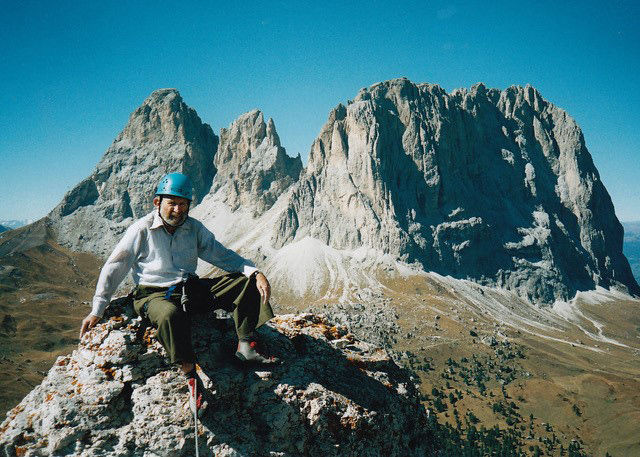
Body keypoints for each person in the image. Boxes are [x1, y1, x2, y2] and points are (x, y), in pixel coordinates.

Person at [79, 172, 277, 415]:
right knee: (169, 315)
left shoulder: (193, 228)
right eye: (172, 203)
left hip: (189, 290)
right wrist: (97, 309)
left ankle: (246, 345)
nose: (177, 209)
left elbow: (221, 255)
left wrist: (254, 272)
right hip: (153, 295)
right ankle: (191, 377)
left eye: (183, 204)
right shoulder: (141, 230)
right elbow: (114, 267)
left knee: (243, 281)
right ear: (157, 203)